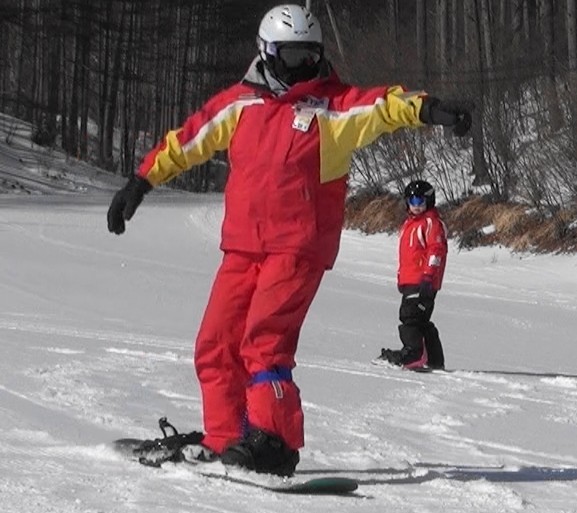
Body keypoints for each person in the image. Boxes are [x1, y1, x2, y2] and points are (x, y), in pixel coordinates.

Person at [106, 4, 471, 477]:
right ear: (267, 53)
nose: (303, 67)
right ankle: (227, 438)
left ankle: (274, 443)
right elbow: (188, 139)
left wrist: (429, 108)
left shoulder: (331, 109)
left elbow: (383, 106)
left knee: (263, 343)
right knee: (215, 344)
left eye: (310, 56)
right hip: (242, 247)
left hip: (297, 249)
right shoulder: (240, 104)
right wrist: (141, 182)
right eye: (291, 56)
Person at [378, 180, 448, 370]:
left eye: (420, 201)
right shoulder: (409, 224)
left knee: (409, 317)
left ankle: (414, 353)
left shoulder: (430, 223)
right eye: (412, 201)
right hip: (411, 280)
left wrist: (428, 275)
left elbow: (436, 250)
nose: (416, 206)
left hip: (422, 280)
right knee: (421, 320)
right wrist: (402, 277)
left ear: (429, 201)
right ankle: (434, 359)